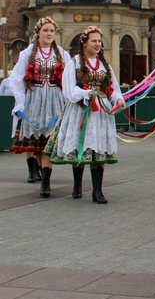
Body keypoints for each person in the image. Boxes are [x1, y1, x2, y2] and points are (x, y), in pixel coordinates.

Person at [43, 26, 125, 203]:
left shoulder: (105, 64)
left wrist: (118, 99)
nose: (97, 44)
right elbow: (69, 90)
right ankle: (77, 185)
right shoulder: (74, 63)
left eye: (99, 41)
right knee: (80, 146)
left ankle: (97, 191)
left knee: (98, 148)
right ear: (84, 43)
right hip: (81, 110)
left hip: (100, 112)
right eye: (93, 41)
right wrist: (85, 94)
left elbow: (113, 88)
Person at [9, 16, 71, 196]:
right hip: (35, 99)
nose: (49, 34)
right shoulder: (27, 54)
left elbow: (68, 79)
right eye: (46, 30)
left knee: (48, 142)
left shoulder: (61, 53)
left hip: (54, 99)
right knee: (36, 141)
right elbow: (17, 78)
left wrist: (69, 100)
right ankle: (33, 171)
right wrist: (20, 102)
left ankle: (45, 182)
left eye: (52, 31)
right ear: (38, 33)